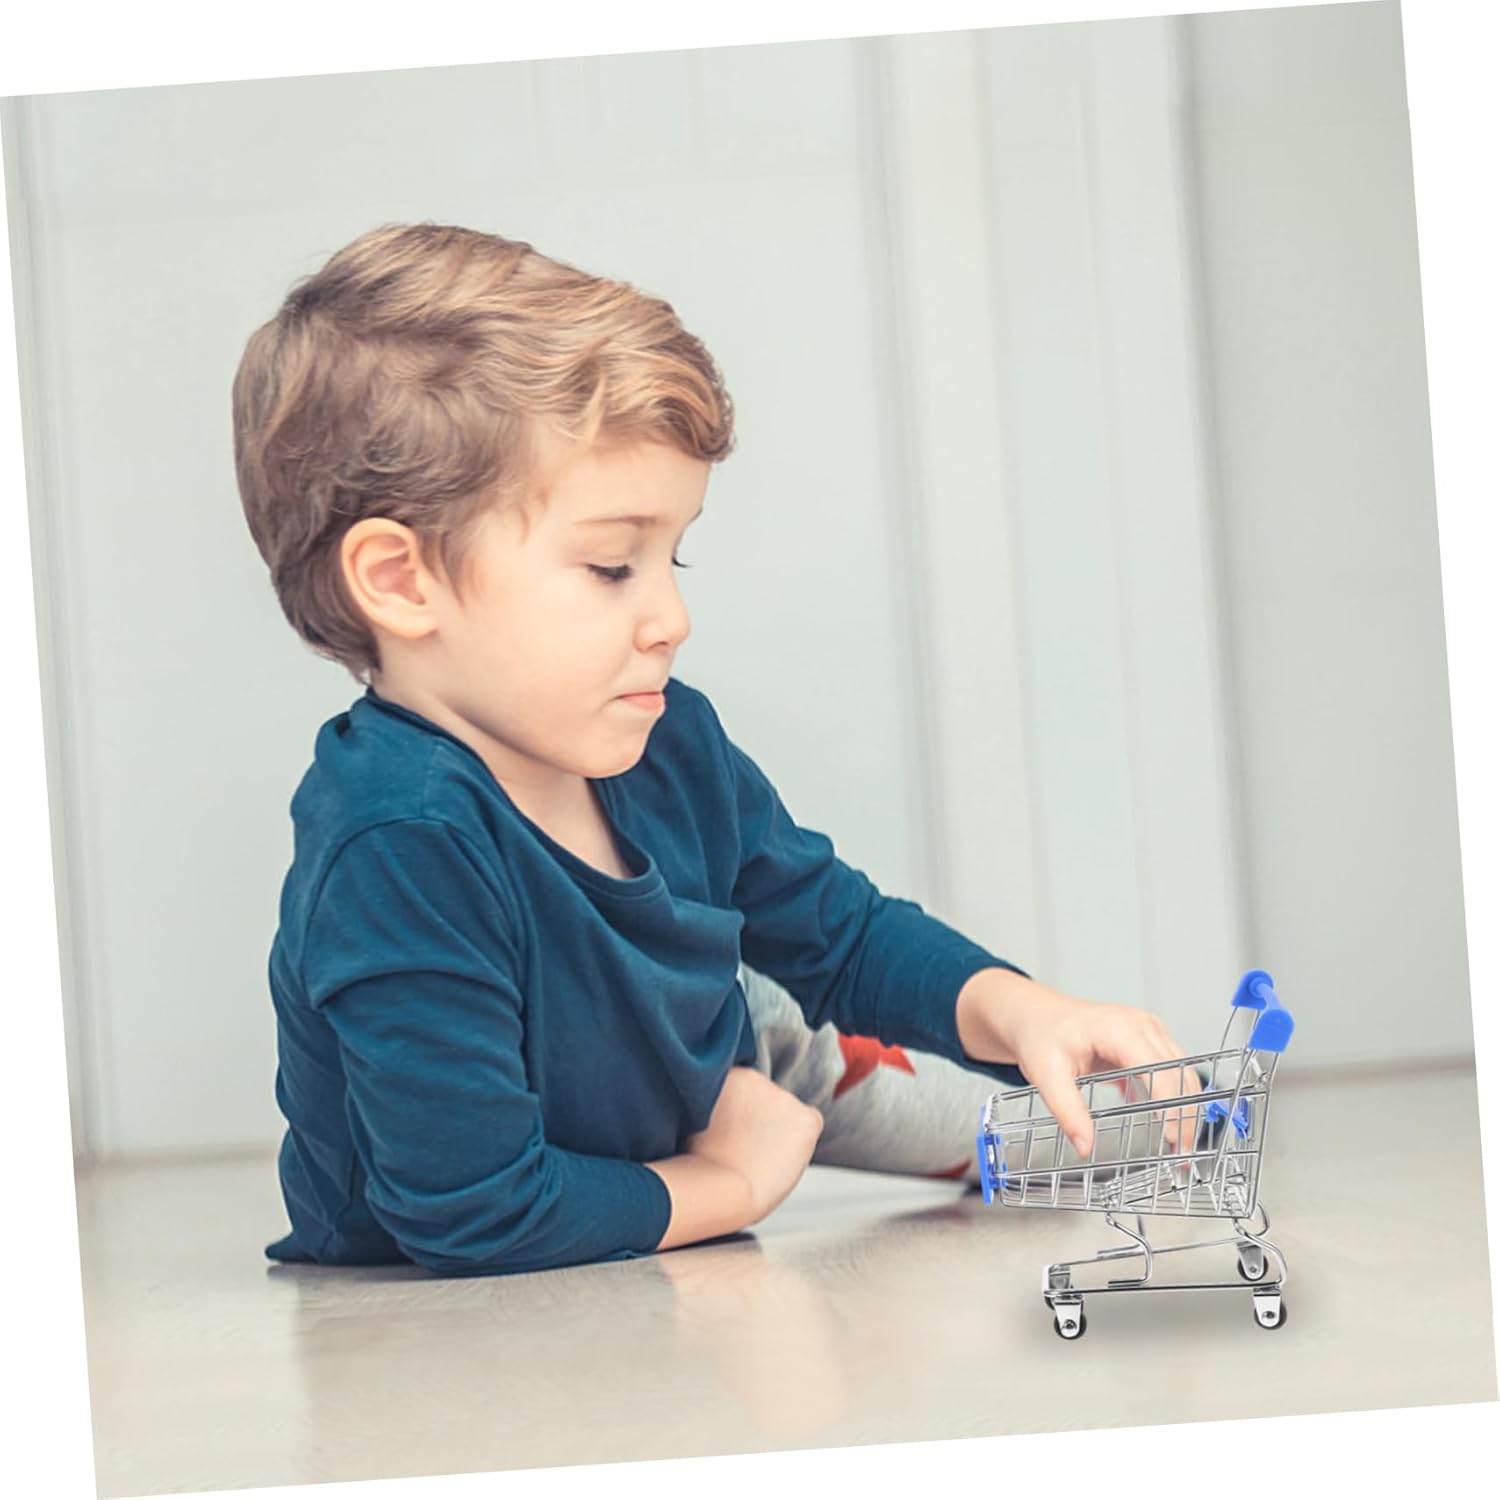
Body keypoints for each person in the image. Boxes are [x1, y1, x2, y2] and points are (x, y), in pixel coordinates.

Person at [233, 223, 1204, 1277]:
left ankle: (1029, 1116)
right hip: (645, 1132)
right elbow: (473, 1213)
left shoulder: (665, 734)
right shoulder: (399, 843)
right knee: (781, 1077)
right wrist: (730, 1186)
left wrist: (1028, 1011)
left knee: (868, 1065)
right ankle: (825, 1081)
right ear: (401, 580)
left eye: (675, 558)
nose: (672, 619)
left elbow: (841, 933)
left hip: (701, 1052)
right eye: (613, 566)